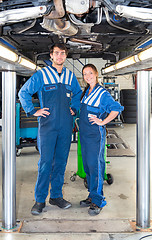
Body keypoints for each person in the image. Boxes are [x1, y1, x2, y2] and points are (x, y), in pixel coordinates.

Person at [19, 43, 82, 215]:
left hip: (65, 126)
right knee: (46, 163)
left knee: (61, 162)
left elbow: (77, 94)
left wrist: (74, 108)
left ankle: (56, 196)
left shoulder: (70, 76)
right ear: (51, 55)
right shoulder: (41, 75)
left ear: (65, 56)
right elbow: (23, 93)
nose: (60, 56)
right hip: (47, 126)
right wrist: (33, 110)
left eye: (62, 53)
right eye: (56, 53)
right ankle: (40, 200)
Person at [79, 64, 124, 216]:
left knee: (96, 167)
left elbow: (117, 108)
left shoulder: (102, 93)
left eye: (90, 73)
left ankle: (99, 201)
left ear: (96, 74)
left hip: (95, 137)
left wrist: (103, 122)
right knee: (88, 168)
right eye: (85, 74)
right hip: (84, 136)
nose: (88, 76)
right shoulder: (87, 92)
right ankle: (92, 195)